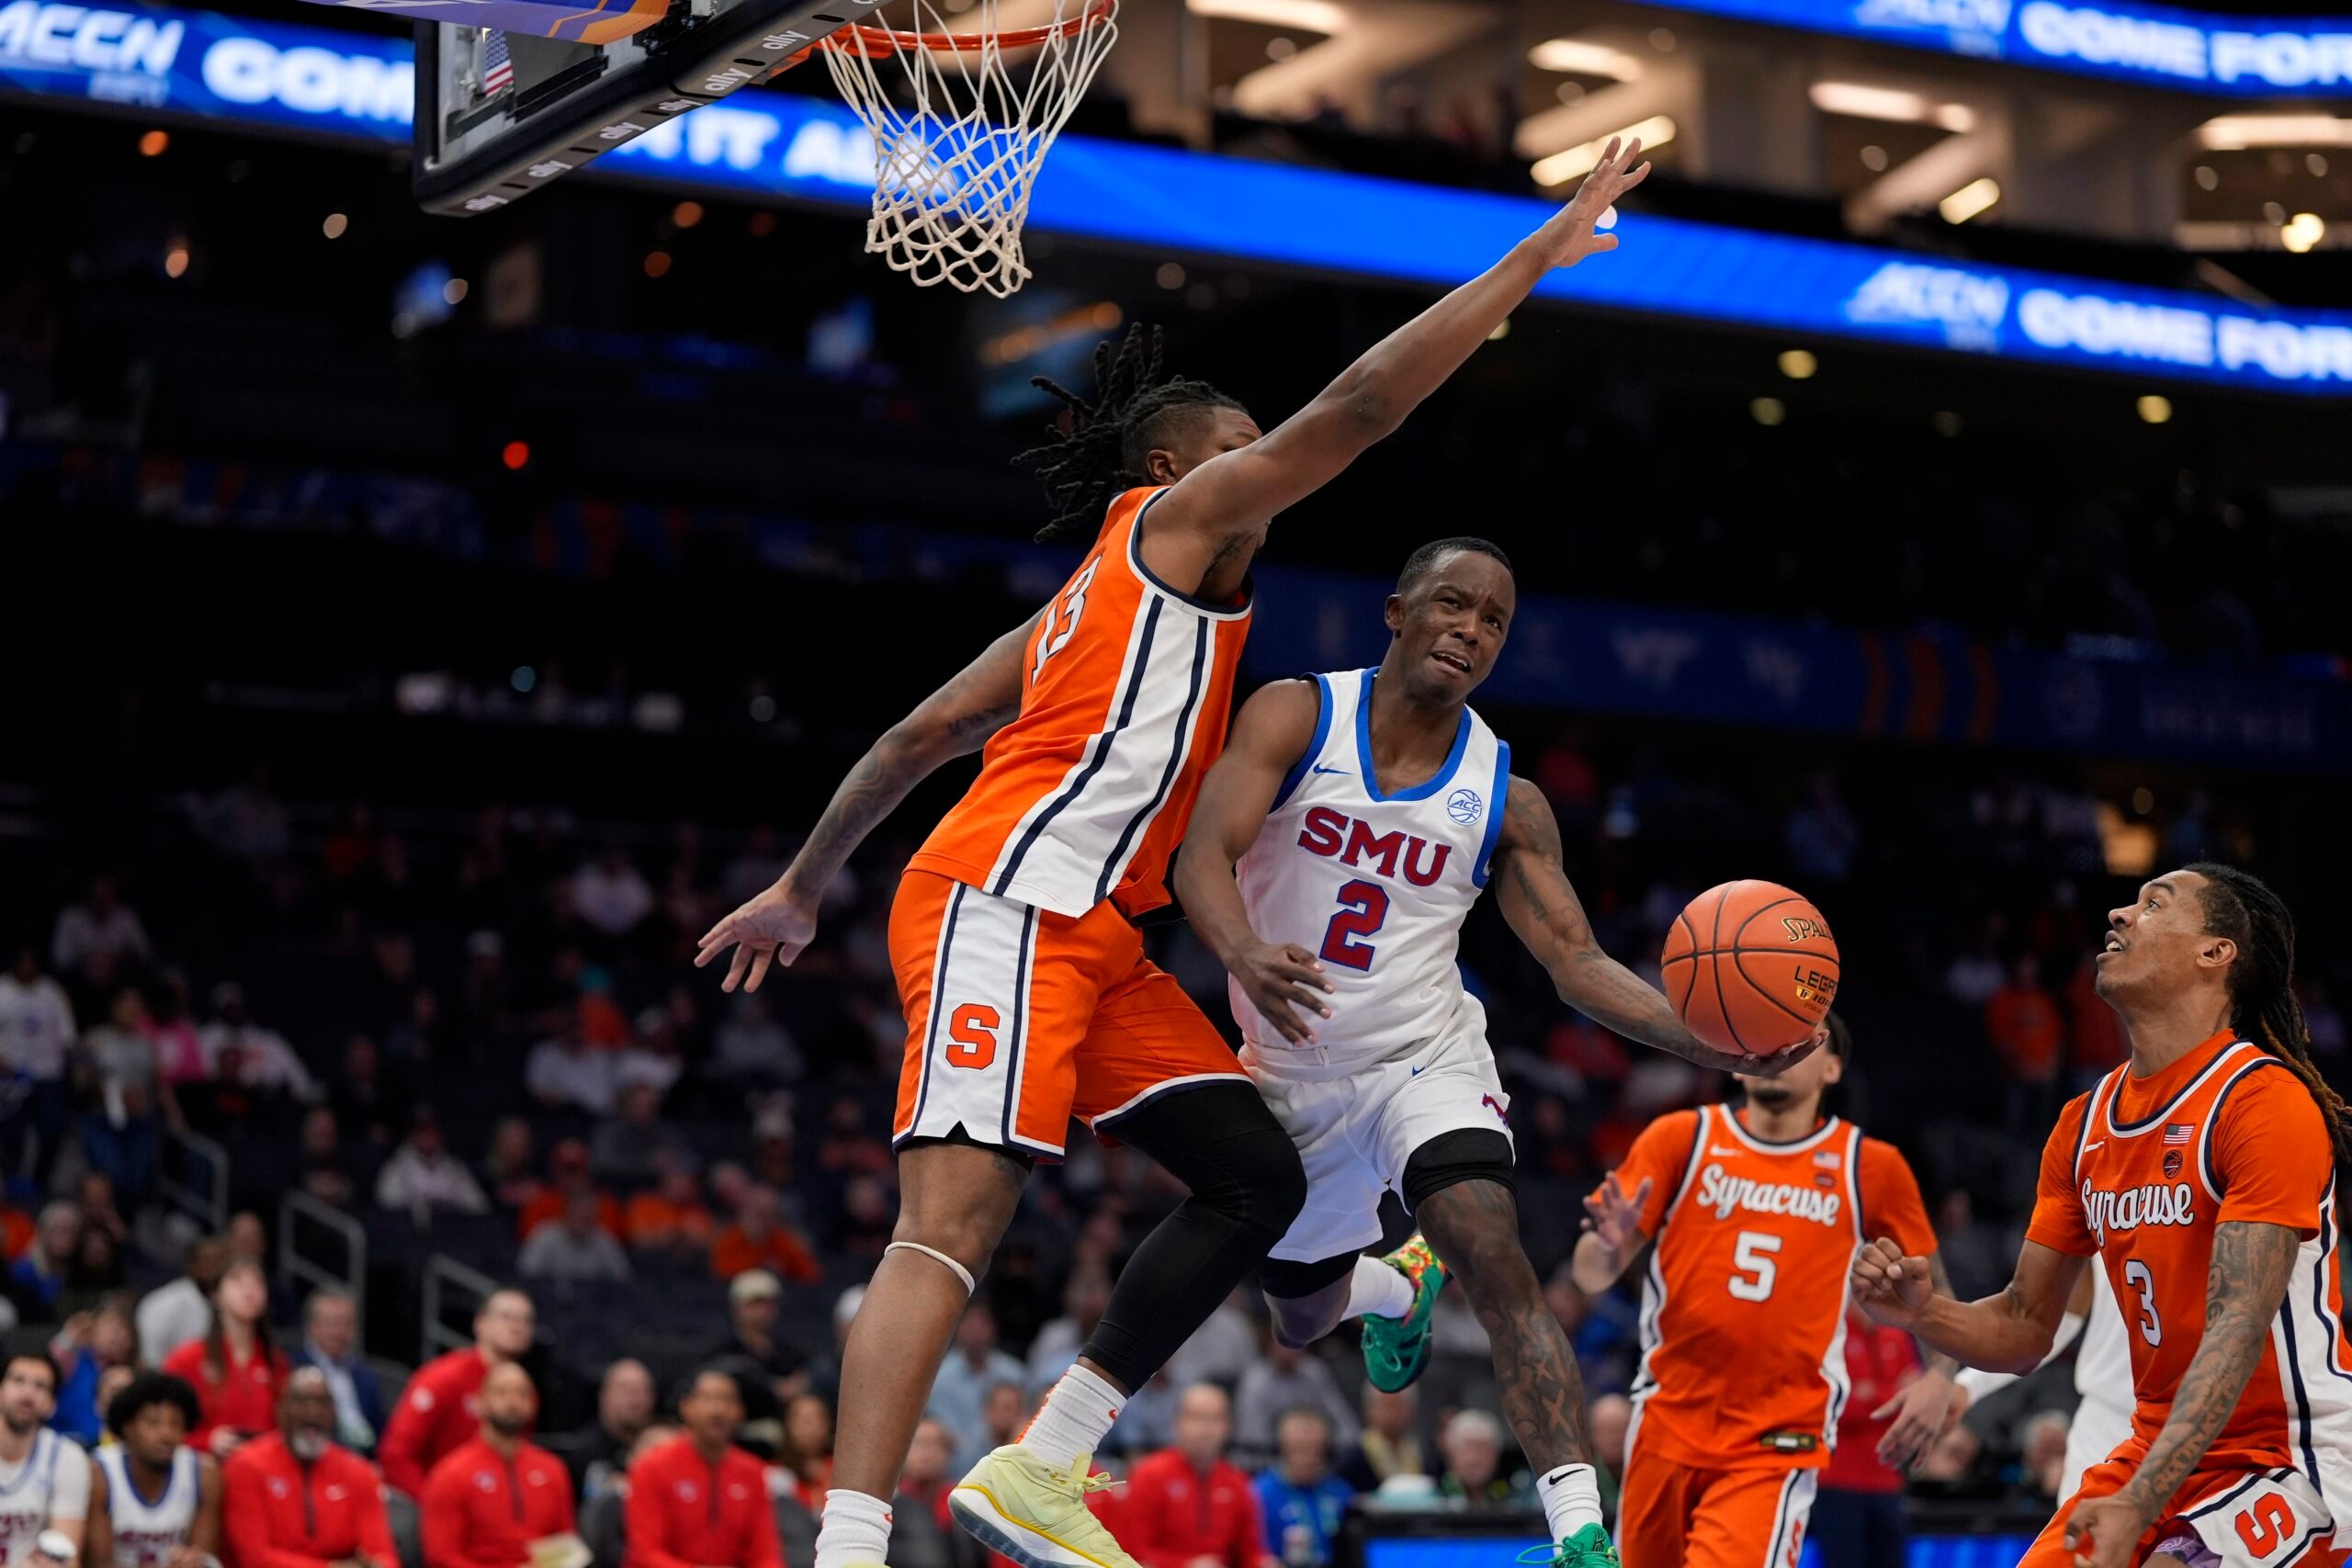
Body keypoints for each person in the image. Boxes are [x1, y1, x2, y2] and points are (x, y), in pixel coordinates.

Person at [695, 137, 1659, 1568]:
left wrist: (799, 880)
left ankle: (1053, 1461)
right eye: (1240, 444)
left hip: (1100, 941)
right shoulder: (1172, 521)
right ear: (1169, 468)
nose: (1263, 466)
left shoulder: (1094, 614)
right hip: (1004, 902)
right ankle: (849, 1541)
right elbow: (1365, 405)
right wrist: (1530, 259)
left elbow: (910, 737)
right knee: (956, 1214)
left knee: (1258, 1180)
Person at [1175, 540, 1826, 1568]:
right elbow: (1199, 853)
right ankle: (1394, 1290)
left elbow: (1575, 963)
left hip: (1422, 1058)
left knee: (1488, 1244)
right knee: (1298, 1317)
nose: (1469, 629)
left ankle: (1579, 1533)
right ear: (1395, 612)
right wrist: (1243, 950)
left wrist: (1720, 1039)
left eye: (1492, 621)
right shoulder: (1297, 716)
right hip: (1290, 1071)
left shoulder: (1505, 797)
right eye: (1451, 605)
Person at [1851, 864, 2352, 1568]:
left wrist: (2139, 1502)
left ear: (2217, 951)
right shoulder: (2083, 1125)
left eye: (2154, 904)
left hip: (2286, 1451)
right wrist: (1923, 1312)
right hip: (2153, 1445)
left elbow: (2236, 1332)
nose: (2119, 912)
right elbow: (2027, 1326)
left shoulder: (2263, 1101)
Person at [1572, 1020, 1952, 1568]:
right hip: (1664, 1423)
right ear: (1737, 1062)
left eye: (1805, 1044)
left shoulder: (1870, 1166)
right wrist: (1605, 1245)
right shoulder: (1680, 1138)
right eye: (1770, 1040)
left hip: (1776, 1438)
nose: (1783, 1052)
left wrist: (1942, 1375)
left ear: (1833, 1068)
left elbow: (1935, 1286)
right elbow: (1590, 1276)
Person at [1943, 1265, 2130, 1504]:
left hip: (2181, 1419)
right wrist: (1968, 1385)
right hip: (2104, 1421)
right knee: (2079, 1539)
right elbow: (2053, 1322)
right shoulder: (2091, 1235)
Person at [220, 1368, 396, 1568]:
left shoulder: (359, 1471)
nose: (313, 1412)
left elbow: (383, 1556)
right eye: (302, 1401)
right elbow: (255, 1558)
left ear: (335, 1415)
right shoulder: (246, 1466)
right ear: (280, 1410)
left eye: (323, 1403)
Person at [379, 1287, 537, 1496]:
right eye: (507, 1317)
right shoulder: (443, 1378)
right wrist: (434, 1503)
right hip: (443, 1504)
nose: (518, 1327)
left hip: (495, 1507)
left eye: (526, 1320)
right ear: (480, 1323)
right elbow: (396, 1455)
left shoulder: (525, 1391)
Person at [421, 1363, 578, 1568]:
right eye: (501, 1392)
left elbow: (565, 1545)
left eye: (522, 1394)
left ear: (533, 1405)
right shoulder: (450, 1473)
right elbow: (441, 1556)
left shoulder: (553, 1470)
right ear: (480, 1402)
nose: (512, 1402)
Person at [624, 1370, 782, 1568]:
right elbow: (645, 1553)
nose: (718, 1411)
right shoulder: (650, 1467)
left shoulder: (753, 1472)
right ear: (686, 1407)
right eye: (708, 1399)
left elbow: (766, 1555)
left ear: (740, 1412)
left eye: (727, 1400)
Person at [1807, 1303, 1921, 1568]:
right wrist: (1894, 1394)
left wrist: (1871, 1394)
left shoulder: (1896, 1336)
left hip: (1887, 1480)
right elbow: (1832, 1406)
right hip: (1837, 1482)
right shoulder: (1831, 1337)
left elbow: (1917, 1402)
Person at [1119, 1385, 1269, 1568]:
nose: (1206, 1429)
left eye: (1215, 1419)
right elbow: (1132, 1552)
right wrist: (1185, 1565)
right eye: (1197, 1418)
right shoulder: (1149, 1475)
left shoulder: (1237, 1482)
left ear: (1228, 1426)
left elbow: (1250, 1553)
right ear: (1178, 1422)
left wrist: (1264, 1562)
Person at [87, 1373, 221, 1568]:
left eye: (175, 1424)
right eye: (153, 1423)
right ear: (128, 1427)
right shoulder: (99, 1474)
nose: (166, 1434)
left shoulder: (204, 1474)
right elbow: (98, 1563)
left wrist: (192, 1561)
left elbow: (202, 1556)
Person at [160, 1258, 287, 1457]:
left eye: (257, 1282)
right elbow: (162, 1424)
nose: (249, 1289)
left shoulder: (277, 1363)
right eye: (237, 1280)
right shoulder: (186, 1359)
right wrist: (206, 1441)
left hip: (263, 1470)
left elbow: (286, 1429)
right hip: (205, 1468)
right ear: (216, 1294)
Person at [0, 1353, 91, 1562]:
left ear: (52, 1405)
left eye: (40, 1386)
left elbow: (66, 1556)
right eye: (18, 1380)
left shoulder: (68, 1458)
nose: (27, 1393)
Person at [927, 1303, 1028, 1468]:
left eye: (982, 1325)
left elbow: (1025, 1423)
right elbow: (940, 1429)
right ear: (958, 1328)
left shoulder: (1014, 1373)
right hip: (953, 1467)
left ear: (994, 1329)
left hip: (1007, 1460)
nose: (976, 1333)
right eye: (970, 1325)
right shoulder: (940, 1376)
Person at [290, 1289, 387, 1455]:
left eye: (346, 1323)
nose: (339, 1332)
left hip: (368, 1461)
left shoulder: (366, 1375)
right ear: (312, 1326)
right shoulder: (292, 1370)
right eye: (332, 1323)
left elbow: (383, 1431)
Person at [1252, 1409, 1352, 1568]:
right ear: (1283, 1449)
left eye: (1314, 1450)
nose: (1307, 1458)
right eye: (1298, 1449)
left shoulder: (1340, 1492)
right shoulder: (1260, 1494)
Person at [374, 1106, 491, 1219]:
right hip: (410, 1234)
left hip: (451, 1233)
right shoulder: (395, 1167)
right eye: (422, 1131)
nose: (427, 1136)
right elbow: (387, 1206)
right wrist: (420, 1208)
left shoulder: (455, 1168)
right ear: (411, 1134)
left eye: (432, 1130)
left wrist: (449, 1207)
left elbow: (479, 1207)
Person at [51, 1296, 139, 1445]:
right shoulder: (71, 1360)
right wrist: (68, 1337)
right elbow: (48, 1366)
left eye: (122, 1330)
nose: (115, 1336)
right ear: (92, 1330)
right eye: (109, 1327)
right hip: (68, 1443)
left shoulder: (136, 1374)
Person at [567, 1359, 654, 1505]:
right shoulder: (584, 1451)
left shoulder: (660, 1446)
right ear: (604, 1395)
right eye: (625, 1389)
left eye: (643, 1390)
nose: (635, 1399)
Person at [138, 1238, 227, 1370]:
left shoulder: (232, 1304)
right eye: (209, 1260)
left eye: (221, 1261)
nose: (216, 1268)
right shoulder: (164, 1303)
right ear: (192, 1266)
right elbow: (151, 1359)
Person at [517, 1191, 632, 1283]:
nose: (584, 1221)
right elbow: (527, 1274)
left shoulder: (604, 1239)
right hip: (549, 1302)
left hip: (594, 1305)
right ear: (566, 1213)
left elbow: (622, 1278)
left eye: (588, 1217)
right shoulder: (545, 1236)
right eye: (579, 1215)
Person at [1337, 1386, 1423, 1494]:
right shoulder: (1352, 1460)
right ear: (1369, 1409)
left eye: (1399, 1406)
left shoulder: (1421, 1454)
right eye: (1387, 1406)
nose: (1392, 1414)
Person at [1435, 1409, 1526, 1507]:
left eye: (1484, 1449)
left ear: (1496, 1455)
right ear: (1451, 1453)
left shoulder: (1515, 1499)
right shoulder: (1431, 1500)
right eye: (1468, 1448)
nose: (1476, 1458)